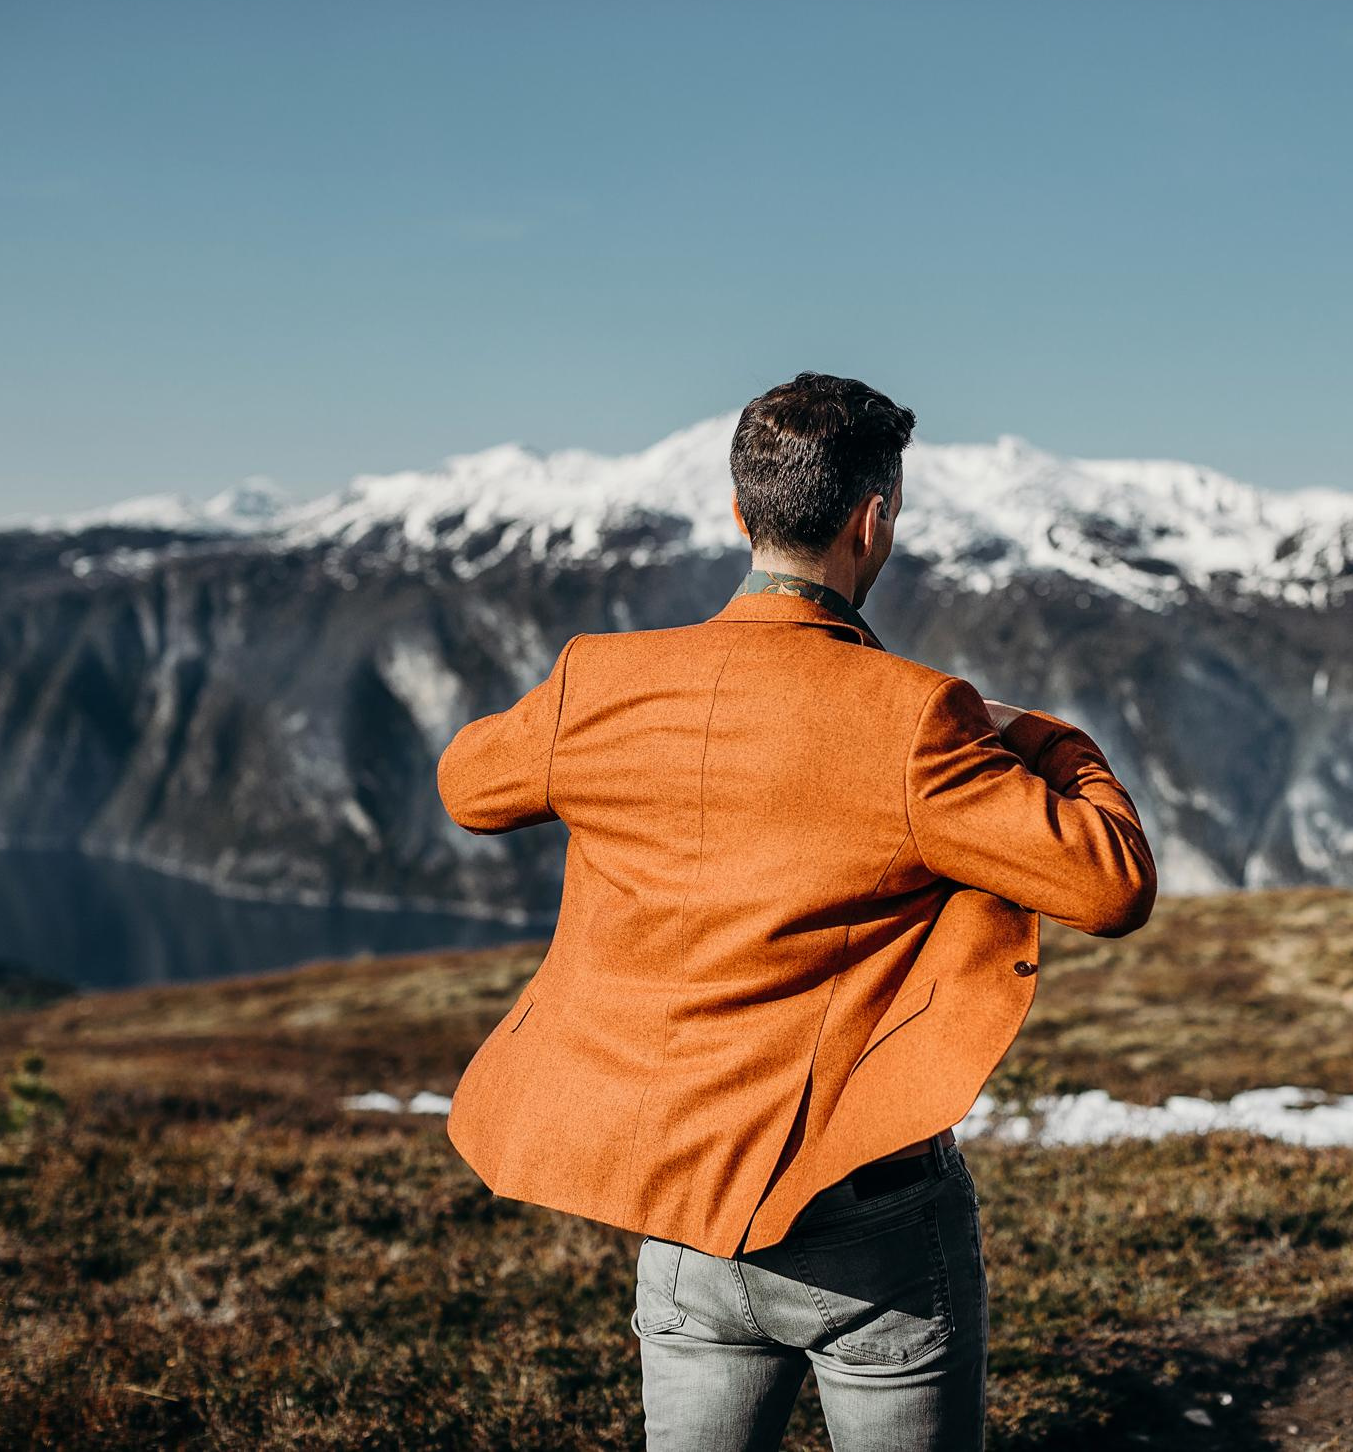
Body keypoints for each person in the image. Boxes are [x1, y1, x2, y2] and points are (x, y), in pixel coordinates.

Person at [434, 372, 1157, 1451]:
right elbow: (1111, 883)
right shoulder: (920, 724)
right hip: (862, 1215)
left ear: (742, 514)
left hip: (679, 1203)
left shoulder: (600, 684)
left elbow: (467, 787)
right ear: (872, 520)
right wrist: (1044, 740)